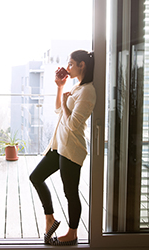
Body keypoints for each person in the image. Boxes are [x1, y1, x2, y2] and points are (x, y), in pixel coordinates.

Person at [29, 49, 96, 246]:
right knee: (36, 177)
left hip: (72, 148)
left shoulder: (88, 91)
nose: (68, 67)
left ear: (81, 65)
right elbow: (59, 109)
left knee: (70, 192)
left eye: (71, 64)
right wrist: (60, 87)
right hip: (58, 145)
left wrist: (66, 105)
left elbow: (73, 123)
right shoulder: (77, 87)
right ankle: (49, 218)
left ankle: (72, 233)